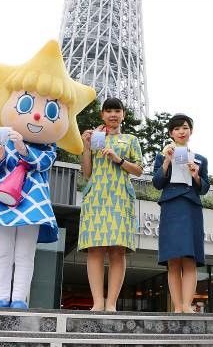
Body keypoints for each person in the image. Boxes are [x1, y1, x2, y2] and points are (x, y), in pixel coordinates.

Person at [0, 40, 96, 309]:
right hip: (2, 196)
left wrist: (22, 147)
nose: (36, 115)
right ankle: (1, 296)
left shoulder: (48, 149)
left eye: (50, 110)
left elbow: (40, 163)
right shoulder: (5, 140)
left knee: (25, 253)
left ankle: (19, 298)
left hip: (32, 201)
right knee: (3, 251)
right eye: (26, 103)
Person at [78, 97, 143, 312]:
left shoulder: (130, 139)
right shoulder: (95, 138)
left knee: (117, 251)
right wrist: (86, 147)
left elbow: (139, 170)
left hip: (120, 197)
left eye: (117, 110)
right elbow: (87, 173)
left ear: (123, 114)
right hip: (96, 196)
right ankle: (97, 302)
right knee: (95, 250)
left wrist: (119, 160)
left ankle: (112, 303)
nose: (113, 114)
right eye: (108, 111)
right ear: (102, 115)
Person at [152, 114, 210, 313]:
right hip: (171, 207)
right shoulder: (162, 155)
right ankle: (177, 306)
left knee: (190, 258)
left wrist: (196, 175)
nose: (181, 131)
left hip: (191, 208)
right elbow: (157, 183)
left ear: (191, 131)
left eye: (185, 127)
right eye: (177, 129)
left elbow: (204, 189)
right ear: (171, 133)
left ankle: (187, 305)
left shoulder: (201, 159)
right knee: (173, 259)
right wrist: (167, 161)